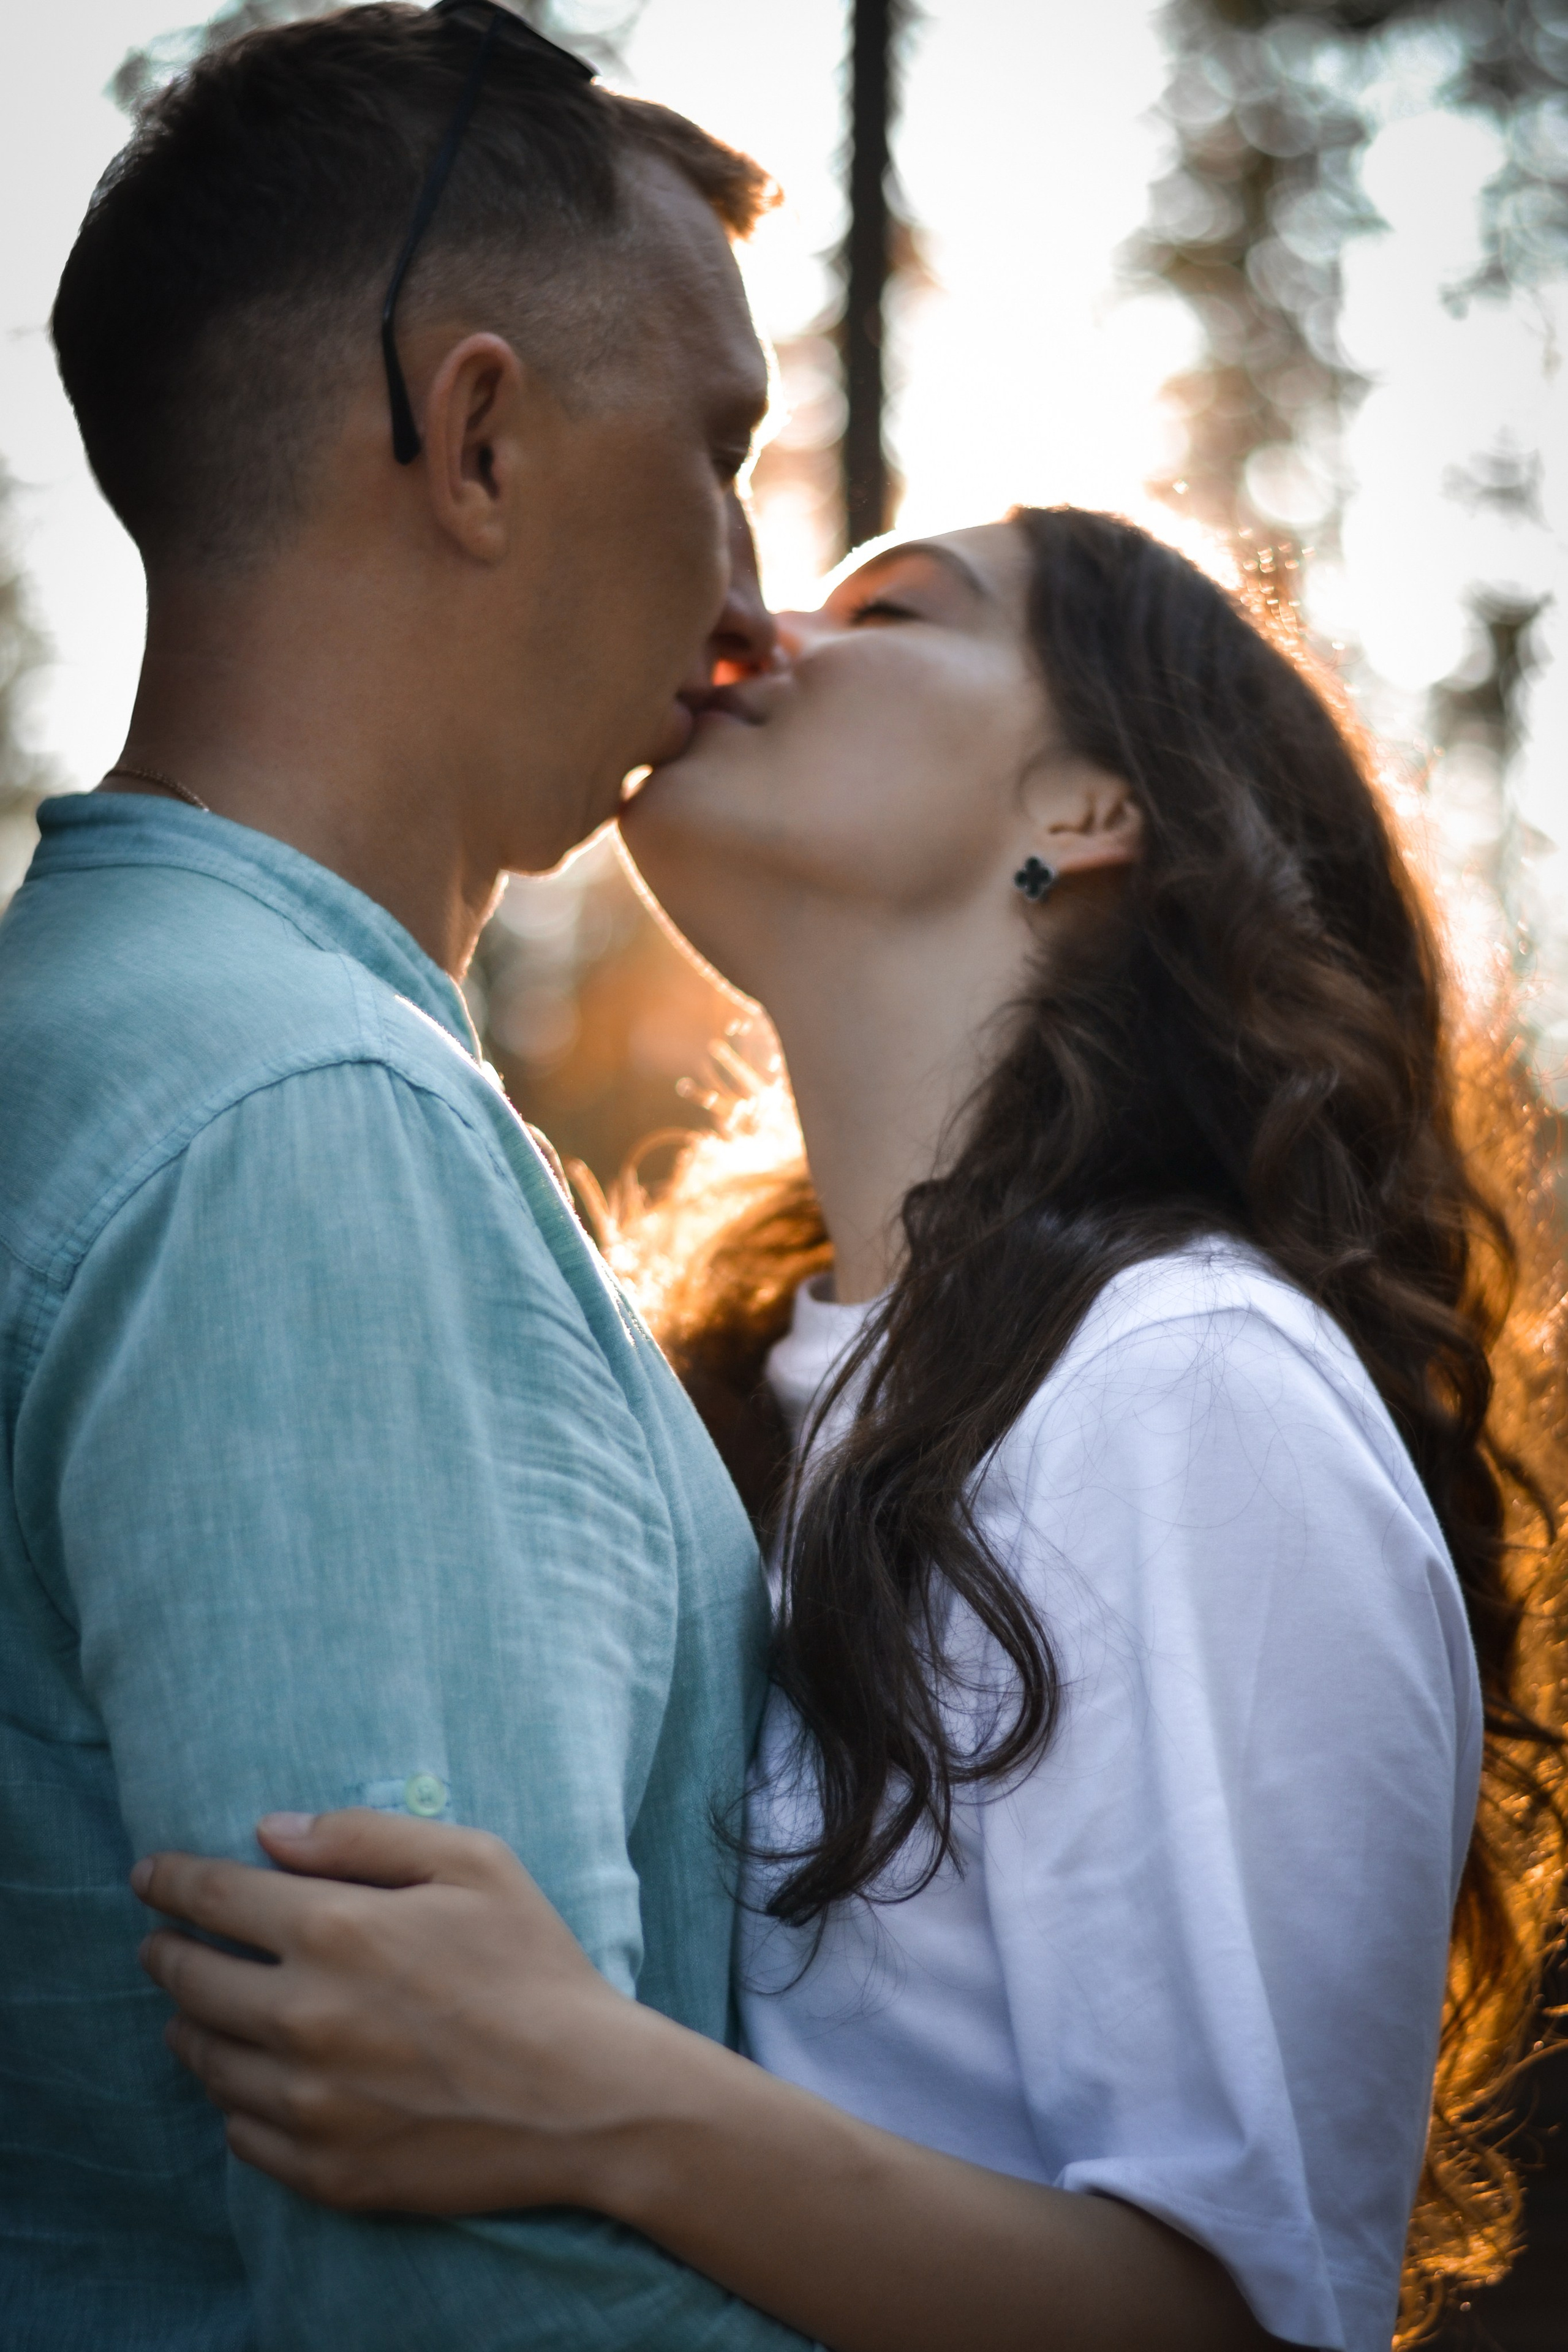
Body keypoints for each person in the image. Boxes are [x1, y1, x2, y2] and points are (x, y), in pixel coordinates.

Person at [135, 509, 1568, 2352]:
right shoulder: (740, 1395)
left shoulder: (1190, 1384)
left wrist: (586, 2094)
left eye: (889, 608)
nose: (745, 632)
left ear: (1087, 807)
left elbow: (1237, 2320)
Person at [0, 7, 815, 2348]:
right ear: (474, 438)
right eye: (721, 447)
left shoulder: (110, 1038)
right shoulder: (297, 1126)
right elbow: (461, 2291)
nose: (757, 605)